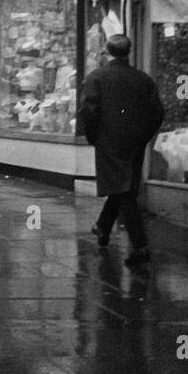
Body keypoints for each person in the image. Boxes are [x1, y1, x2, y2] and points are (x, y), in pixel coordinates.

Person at [77, 34, 165, 266]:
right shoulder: (143, 79)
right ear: (129, 52)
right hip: (134, 142)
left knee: (123, 190)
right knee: (124, 186)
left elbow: (88, 111)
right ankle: (103, 226)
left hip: (109, 141)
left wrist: (94, 137)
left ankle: (140, 245)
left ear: (106, 52)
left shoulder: (96, 77)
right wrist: (143, 136)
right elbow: (157, 112)